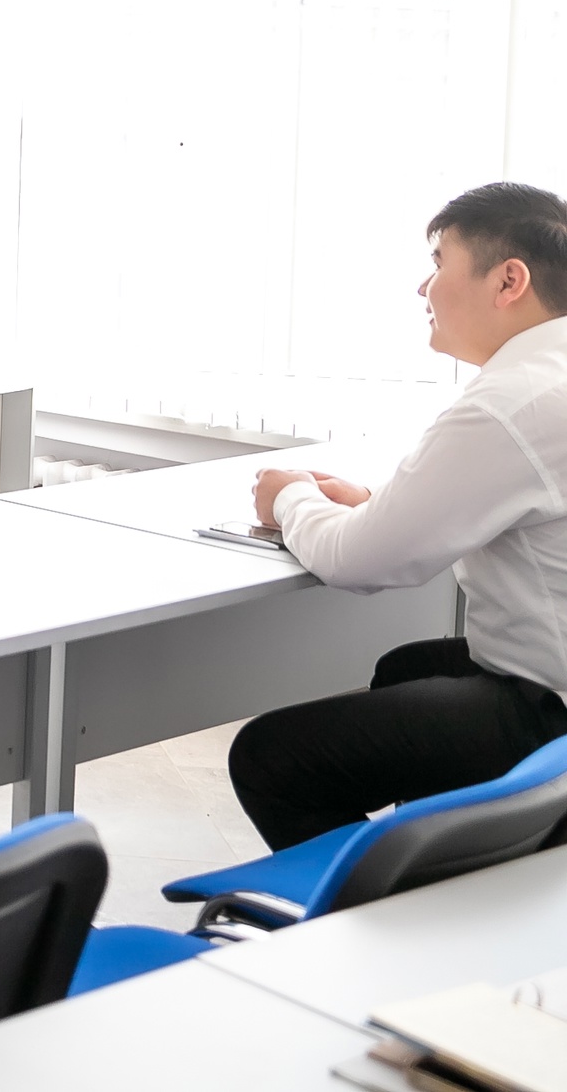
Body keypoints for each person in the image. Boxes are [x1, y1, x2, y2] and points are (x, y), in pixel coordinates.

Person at [231, 181, 567, 851]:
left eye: (439, 263)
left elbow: (357, 562)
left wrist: (288, 495)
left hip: (550, 711)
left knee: (271, 757)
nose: (423, 287)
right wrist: (376, 504)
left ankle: (392, 892)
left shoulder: (512, 400)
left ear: (508, 280)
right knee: (406, 669)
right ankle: (449, 860)